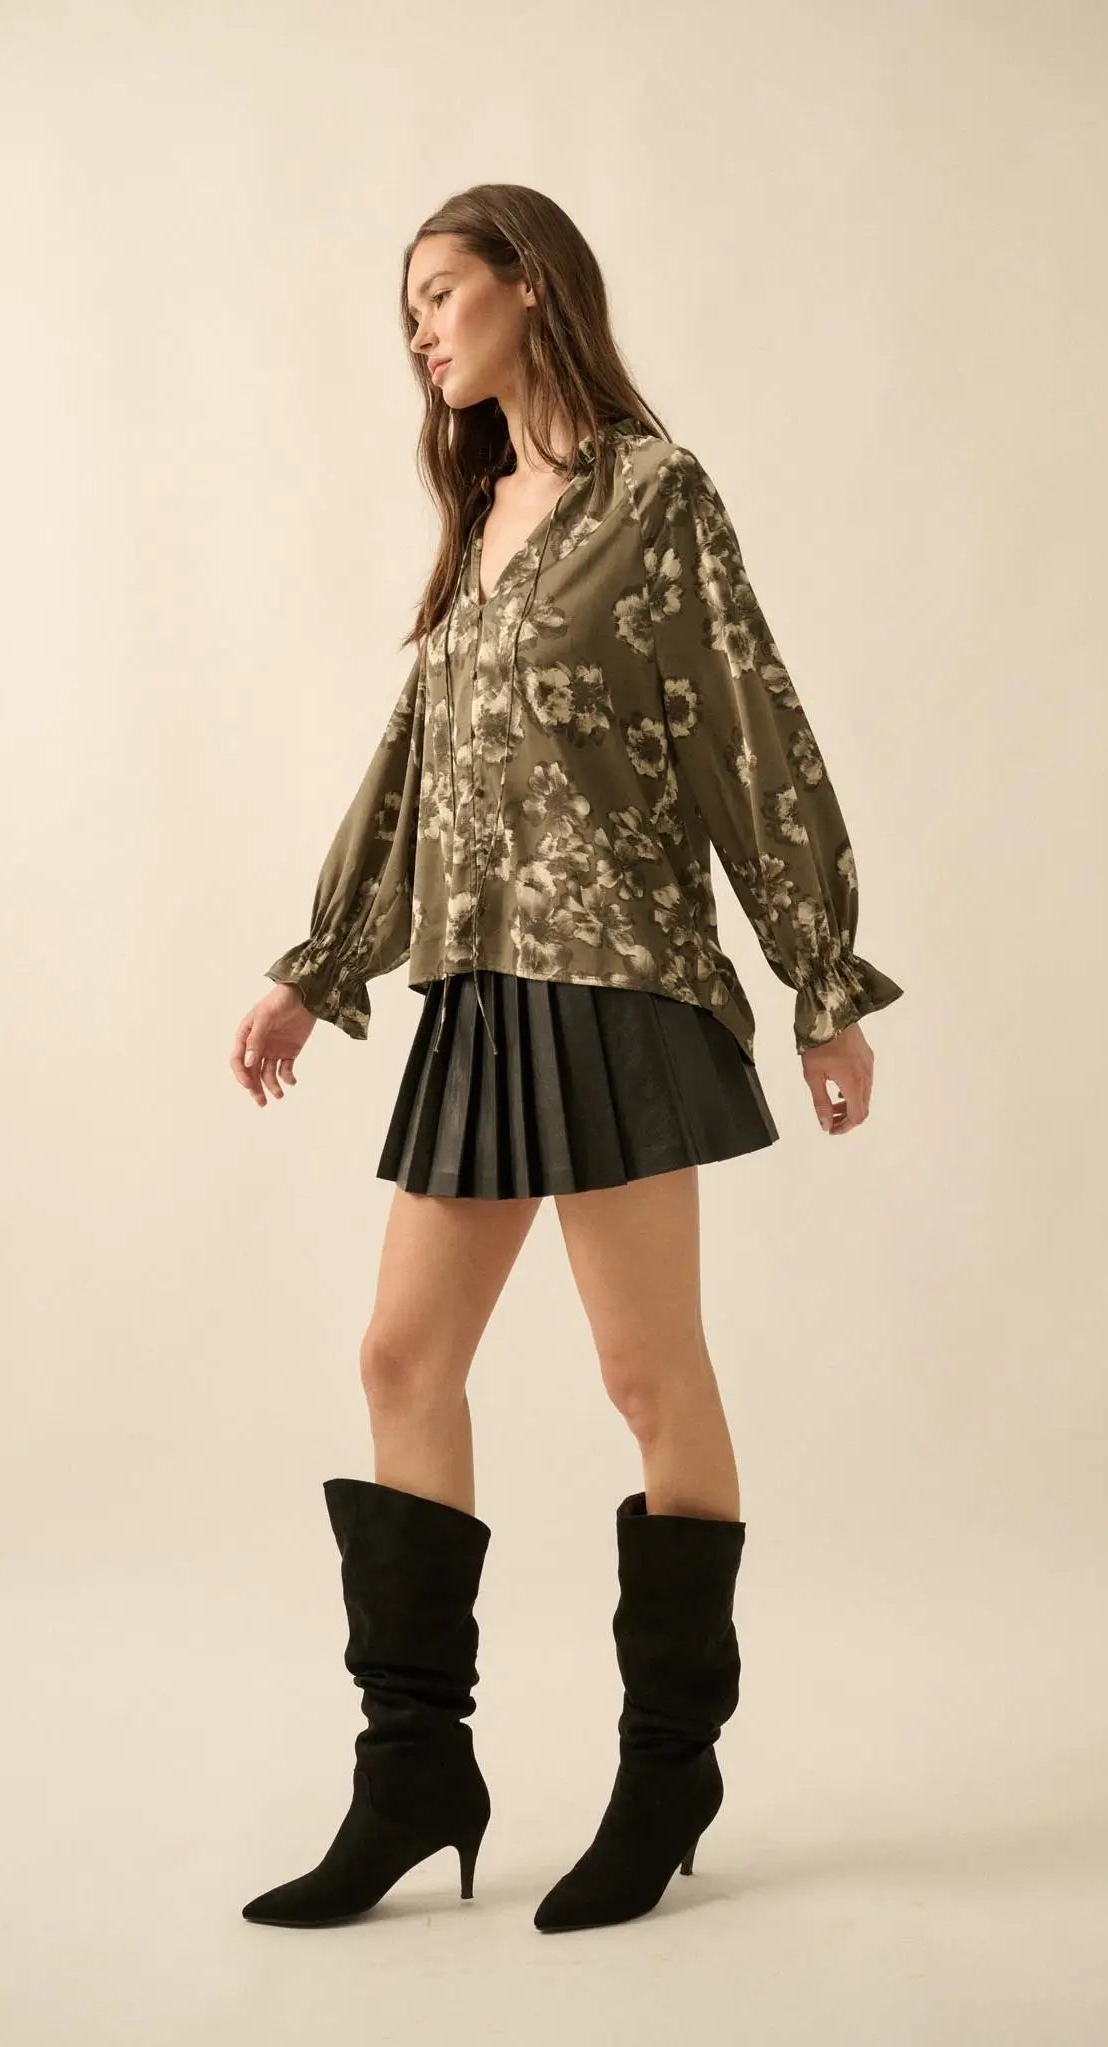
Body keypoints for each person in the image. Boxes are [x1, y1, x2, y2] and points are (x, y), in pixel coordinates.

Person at [229, 183, 904, 1935]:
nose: (419, 330)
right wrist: (318, 965)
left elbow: (751, 732)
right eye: (407, 308)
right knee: (400, 1355)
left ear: (531, 287)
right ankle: (412, 1772)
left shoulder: (654, 496)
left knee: (642, 1374)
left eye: (441, 292)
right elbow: (415, 763)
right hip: (475, 990)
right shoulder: (479, 515)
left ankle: (668, 1766)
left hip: (616, 985)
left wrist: (820, 982)